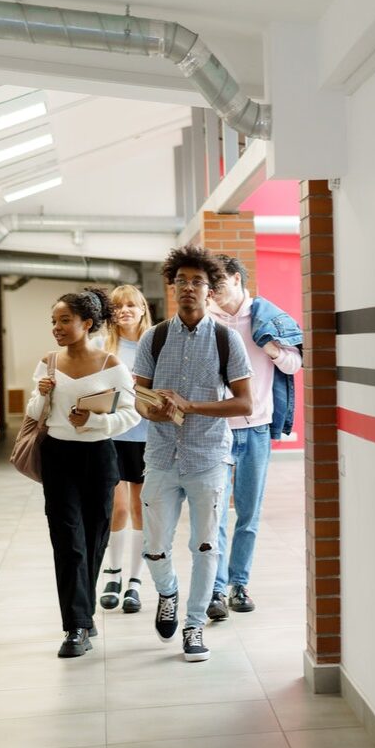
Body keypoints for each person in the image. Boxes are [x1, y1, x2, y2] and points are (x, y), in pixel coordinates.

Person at [133, 245, 252, 662]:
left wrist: (190, 405)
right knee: (154, 546)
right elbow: (138, 400)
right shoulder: (155, 337)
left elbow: (244, 404)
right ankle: (167, 592)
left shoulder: (226, 339)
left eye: (197, 282)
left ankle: (194, 623)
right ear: (173, 287)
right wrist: (158, 411)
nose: (188, 287)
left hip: (207, 459)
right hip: (161, 456)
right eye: (181, 280)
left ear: (210, 290)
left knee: (205, 546)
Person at [25, 288, 140, 658]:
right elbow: (33, 410)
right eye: (54, 321)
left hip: (99, 459)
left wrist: (95, 421)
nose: (57, 328)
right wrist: (42, 394)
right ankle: (75, 626)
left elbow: (132, 413)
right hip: (58, 458)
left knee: (93, 541)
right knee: (68, 543)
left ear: (87, 323)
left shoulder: (111, 365)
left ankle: (83, 613)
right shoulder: (49, 362)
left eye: (65, 320)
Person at [206, 255, 303, 618]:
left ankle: (238, 584)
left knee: (248, 513)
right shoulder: (206, 321)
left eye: (216, 282)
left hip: (256, 428)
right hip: (215, 431)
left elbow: (294, 364)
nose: (211, 290)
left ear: (235, 278)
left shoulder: (266, 317)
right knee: (213, 513)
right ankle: (214, 589)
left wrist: (270, 347)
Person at [97, 284, 151, 614]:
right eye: (118, 306)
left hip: (147, 438)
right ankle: (113, 574)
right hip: (113, 437)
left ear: (143, 309)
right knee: (116, 509)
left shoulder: (154, 344)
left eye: (132, 304)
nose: (125, 310)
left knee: (141, 509)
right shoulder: (102, 347)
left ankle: (135, 580)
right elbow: (95, 394)